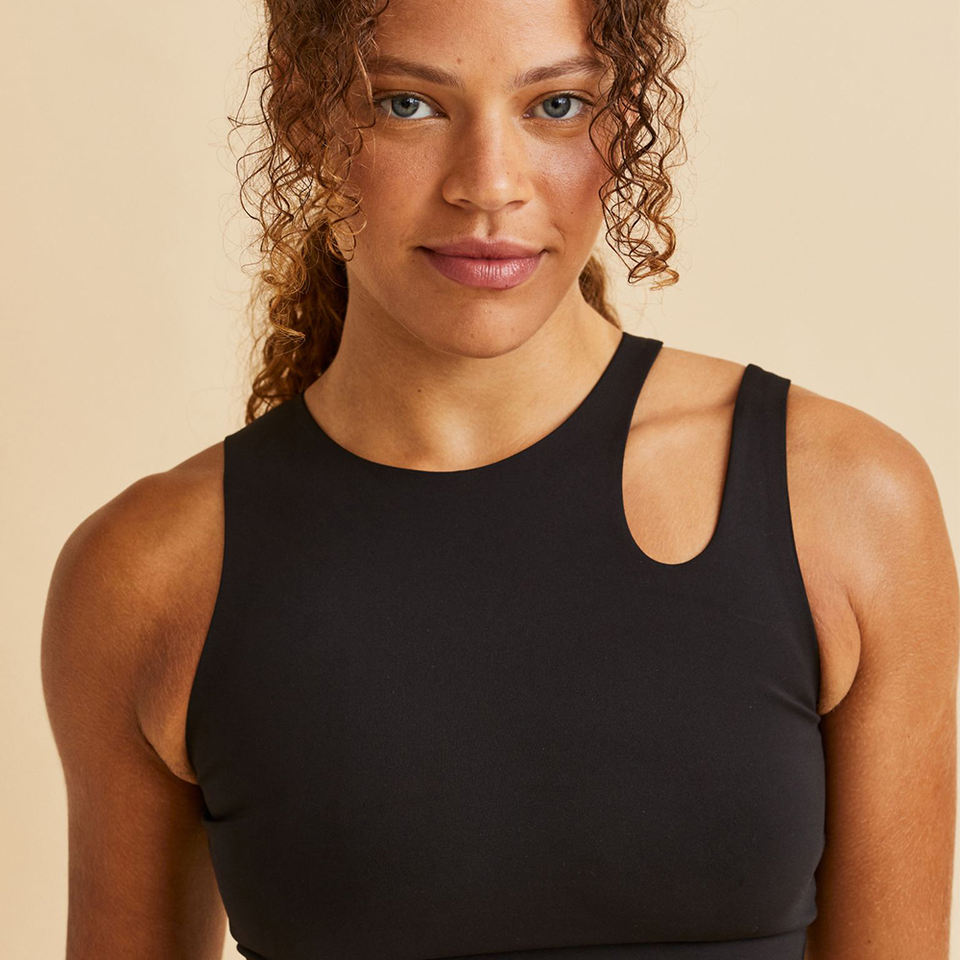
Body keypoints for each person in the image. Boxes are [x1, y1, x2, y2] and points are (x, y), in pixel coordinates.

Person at [41, 0, 958, 958]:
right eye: (407, 104)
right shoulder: (150, 575)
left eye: (556, 105)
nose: (488, 186)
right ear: (304, 119)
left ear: (625, 123)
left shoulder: (842, 504)